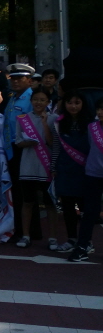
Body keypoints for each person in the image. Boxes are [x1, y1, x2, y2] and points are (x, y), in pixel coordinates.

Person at [13, 89, 58, 249]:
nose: (38, 102)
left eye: (42, 100)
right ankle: (26, 235)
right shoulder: (22, 119)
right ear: (31, 101)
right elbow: (18, 142)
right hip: (28, 167)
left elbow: (53, 143)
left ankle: (53, 237)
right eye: (36, 99)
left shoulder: (54, 119)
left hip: (47, 168)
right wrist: (29, 143)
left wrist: (45, 124)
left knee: (50, 203)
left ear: (48, 102)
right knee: (27, 202)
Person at [49, 90, 89, 253]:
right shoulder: (59, 123)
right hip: (64, 169)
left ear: (83, 104)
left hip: (85, 169)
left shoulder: (91, 124)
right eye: (70, 103)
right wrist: (53, 166)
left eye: (77, 103)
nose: (73, 106)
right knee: (67, 206)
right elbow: (56, 147)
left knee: (85, 207)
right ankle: (71, 239)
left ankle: (86, 241)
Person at [1, 63, 36, 239]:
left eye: (19, 78)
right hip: (12, 150)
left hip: (25, 149)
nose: (15, 82)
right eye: (13, 78)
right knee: (17, 191)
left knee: (25, 193)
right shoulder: (13, 98)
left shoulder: (31, 99)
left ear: (29, 81)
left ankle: (27, 231)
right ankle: (20, 229)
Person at [68, 99, 103, 262]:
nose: (100, 112)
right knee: (89, 212)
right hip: (93, 174)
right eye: (99, 109)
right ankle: (82, 246)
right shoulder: (92, 127)